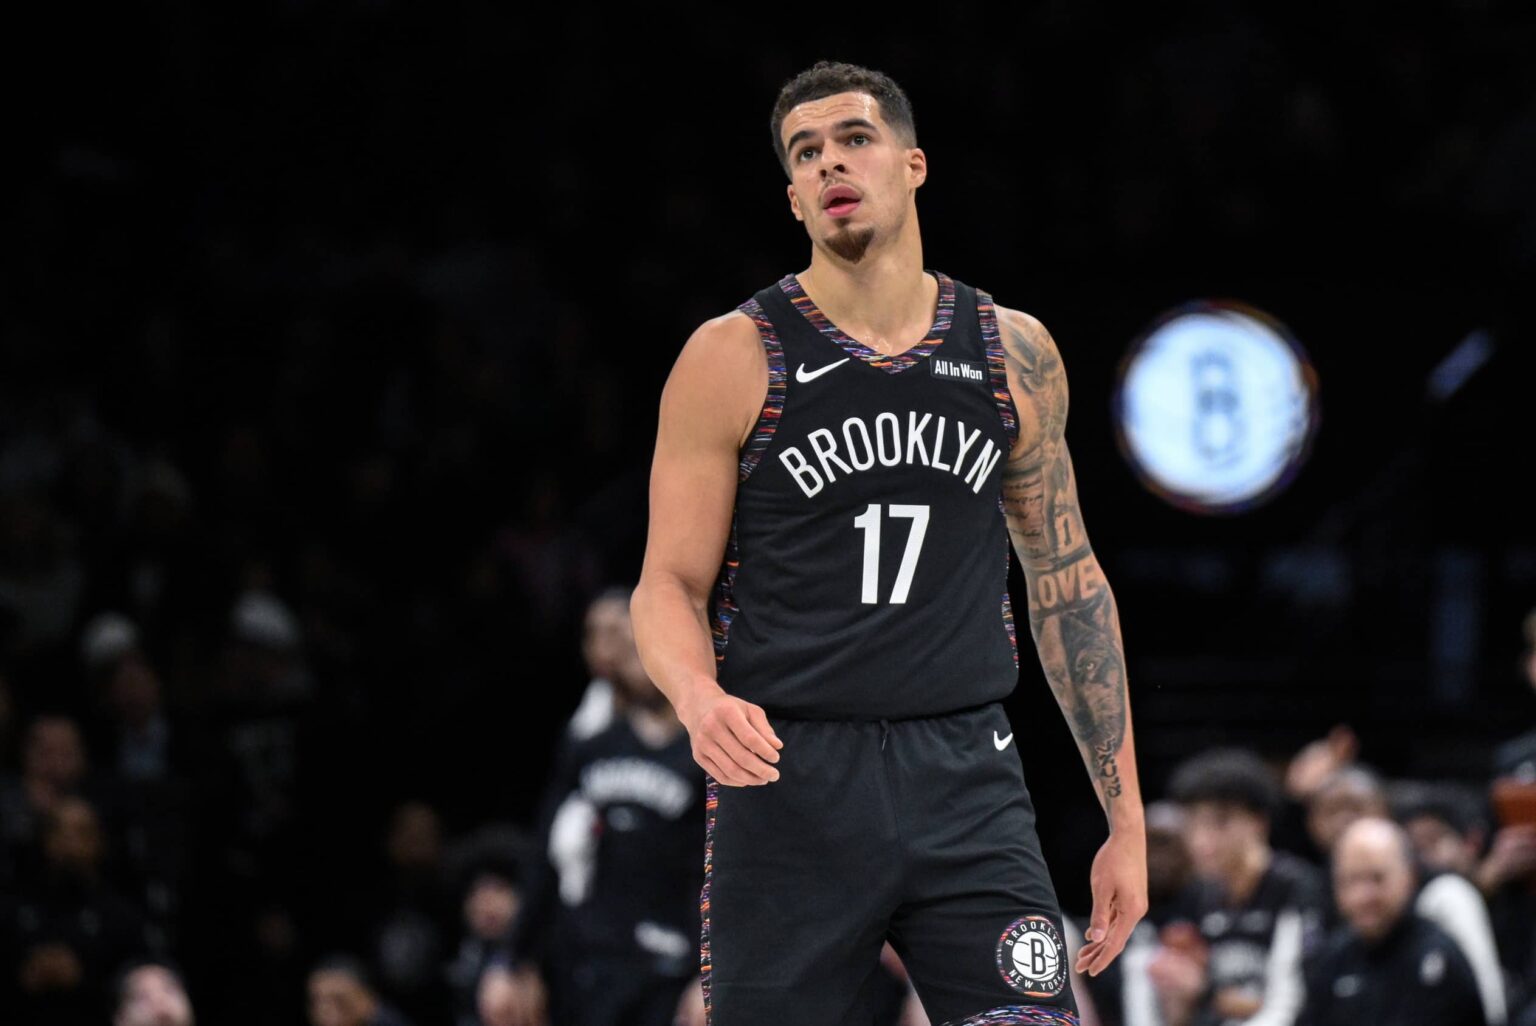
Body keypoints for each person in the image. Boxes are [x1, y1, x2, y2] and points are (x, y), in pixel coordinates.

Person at [630, 59, 1147, 1026]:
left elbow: (1067, 583)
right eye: (807, 152)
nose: (832, 162)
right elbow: (666, 583)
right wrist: (696, 698)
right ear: (792, 198)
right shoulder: (733, 354)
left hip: (966, 771)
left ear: (913, 164)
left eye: (854, 139)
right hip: (791, 774)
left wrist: (1125, 821)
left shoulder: (1011, 350)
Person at [1150, 748, 1328, 1026]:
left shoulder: (1297, 886)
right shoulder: (1196, 897)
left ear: (1258, 822)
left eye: (1219, 822)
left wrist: (1214, 996)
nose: (1201, 841)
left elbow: (1296, 1002)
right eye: (1193, 824)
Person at [1298, 817, 1485, 1026]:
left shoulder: (1437, 958)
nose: (1362, 896)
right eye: (1350, 880)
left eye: (1377, 878)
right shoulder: (1334, 957)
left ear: (1410, 877)